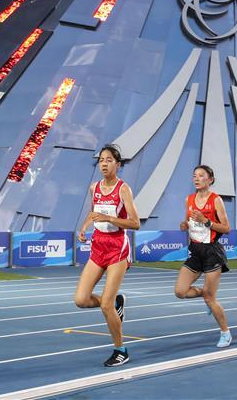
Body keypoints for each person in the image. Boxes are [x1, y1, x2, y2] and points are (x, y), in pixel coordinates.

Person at [74, 145, 140, 367]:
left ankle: (121, 350)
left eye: (109, 160)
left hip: (117, 249)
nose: (104, 163)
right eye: (101, 160)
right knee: (81, 300)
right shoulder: (94, 187)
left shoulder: (123, 190)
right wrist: (84, 227)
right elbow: (94, 213)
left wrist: (110, 219)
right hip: (98, 246)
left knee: (105, 306)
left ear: (117, 164)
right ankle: (115, 303)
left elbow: (135, 223)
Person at [174, 165, 233, 348]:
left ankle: (225, 332)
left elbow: (226, 228)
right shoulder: (189, 200)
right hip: (195, 251)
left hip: (212, 252)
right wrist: (184, 225)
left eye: (201, 175)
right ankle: (205, 295)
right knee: (180, 291)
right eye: (194, 176)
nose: (197, 178)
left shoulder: (216, 201)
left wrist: (206, 221)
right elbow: (187, 222)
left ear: (210, 179)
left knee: (211, 298)